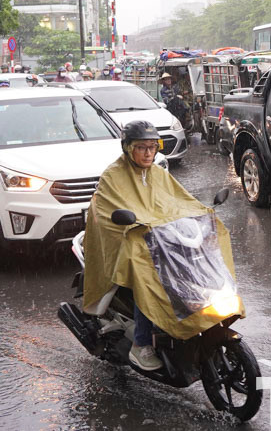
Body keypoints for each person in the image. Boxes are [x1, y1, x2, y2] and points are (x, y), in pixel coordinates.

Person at [82, 121, 197, 371]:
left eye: (153, 147)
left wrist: (200, 213)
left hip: (154, 239)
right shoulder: (114, 175)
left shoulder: (157, 173)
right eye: (141, 147)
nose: (148, 153)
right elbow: (105, 212)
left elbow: (176, 202)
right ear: (127, 148)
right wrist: (137, 227)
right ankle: (141, 344)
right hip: (122, 241)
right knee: (148, 280)